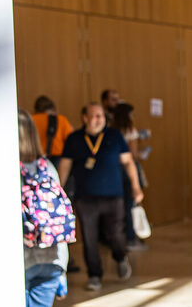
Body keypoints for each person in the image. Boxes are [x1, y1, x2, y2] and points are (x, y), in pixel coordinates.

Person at [58, 102, 143, 290]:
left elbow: (129, 162)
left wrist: (136, 187)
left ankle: (120, 257)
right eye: (95, 116)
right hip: (85, 198)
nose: (99, 119)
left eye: (101, 116)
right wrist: (59, 191)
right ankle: (94, 275)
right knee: (89, 238)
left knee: (116, 234)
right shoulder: (74, 139)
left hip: (113, 195)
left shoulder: (114, 136)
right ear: (85, 118)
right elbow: (65, 165)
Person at [20, 110, 69, 307]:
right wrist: (62, 267)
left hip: (21, 259)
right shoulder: (46, 166)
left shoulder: (5, 168)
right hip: (52, 257)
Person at [111, 103, 147, 249]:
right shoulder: (130, 130)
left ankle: (119, 237)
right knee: (130, 205)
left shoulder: (111, 130)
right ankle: (131, 237)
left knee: (119, 205)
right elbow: (132, 155)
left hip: (114, 170)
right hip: (127, 169)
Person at [30, 95, 75, 165]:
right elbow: (71, 141)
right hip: (58, 158)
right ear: (53, 107)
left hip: (35, 157)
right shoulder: (62, 119)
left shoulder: (31, 119)